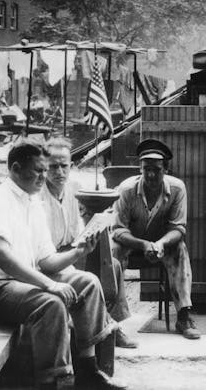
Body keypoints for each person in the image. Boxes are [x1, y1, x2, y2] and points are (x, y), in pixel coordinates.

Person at [0, 140, 127, 390]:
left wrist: (80, 250)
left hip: (14, 284)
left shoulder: (31, 201)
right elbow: (0, 255)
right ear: (15, 168)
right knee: (50, 303)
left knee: (87, 283)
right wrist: (49, 285)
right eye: (38, 170)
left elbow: (46, 260)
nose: (44, 176)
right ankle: (55, 382)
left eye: (45, 170)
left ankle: (89, 370)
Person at [39, 137, 138, 349]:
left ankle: (114, 324)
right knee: (97, 271)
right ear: (44, 167)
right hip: (49, 256)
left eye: (64, 166)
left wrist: (93, 230)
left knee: (112, 263)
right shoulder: (38, 194)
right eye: (53, 166)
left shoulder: (74, 188)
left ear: (71, 166)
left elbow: (78, 227)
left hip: (72, 247)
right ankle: (102, 327)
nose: (59, 172)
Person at [110, 139, 200, 340]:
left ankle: (184, 316)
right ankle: (114, 323)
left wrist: (159, 244)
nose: (150, 175)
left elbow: (178, 228)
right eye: (146, 169)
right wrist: (143, 245)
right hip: (131, 245)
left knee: (180, 248)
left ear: (166, 169)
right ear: (140, 169)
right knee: (113, 251)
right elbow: (117, 230)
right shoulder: (126, 190)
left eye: (156, 170)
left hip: (161, 245)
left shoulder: (177, 189)